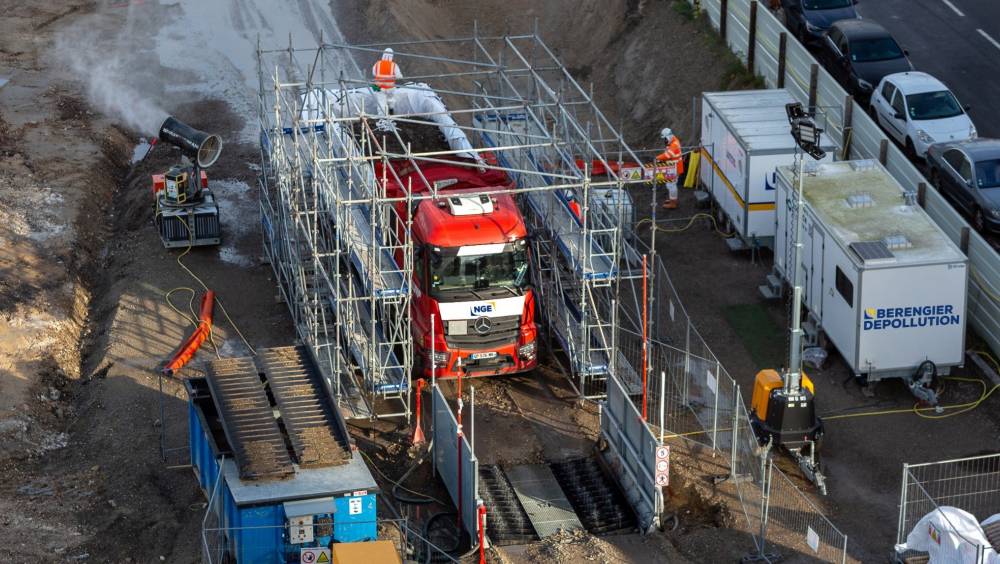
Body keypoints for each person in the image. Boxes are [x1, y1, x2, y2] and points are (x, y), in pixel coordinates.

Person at [656, 128, 684, 209]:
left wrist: (657, 158)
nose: (664, 140)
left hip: (675, 168)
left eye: (665, 138)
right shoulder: (672, 141)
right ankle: (672, 199)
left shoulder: (674, 144)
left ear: (668, 137)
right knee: (670, 184)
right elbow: (667, 154)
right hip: (673, 167)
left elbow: (668, 155)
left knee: (671, 185)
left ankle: (673, 203)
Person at [372, 48, 403, 113]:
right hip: (390, 87)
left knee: (381, 102)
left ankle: (382, 117)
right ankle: (391, 110)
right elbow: (399, 76)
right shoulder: (394, 65)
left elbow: (374, 73)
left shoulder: (377, 64)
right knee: (391, 99)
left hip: (379, 87)